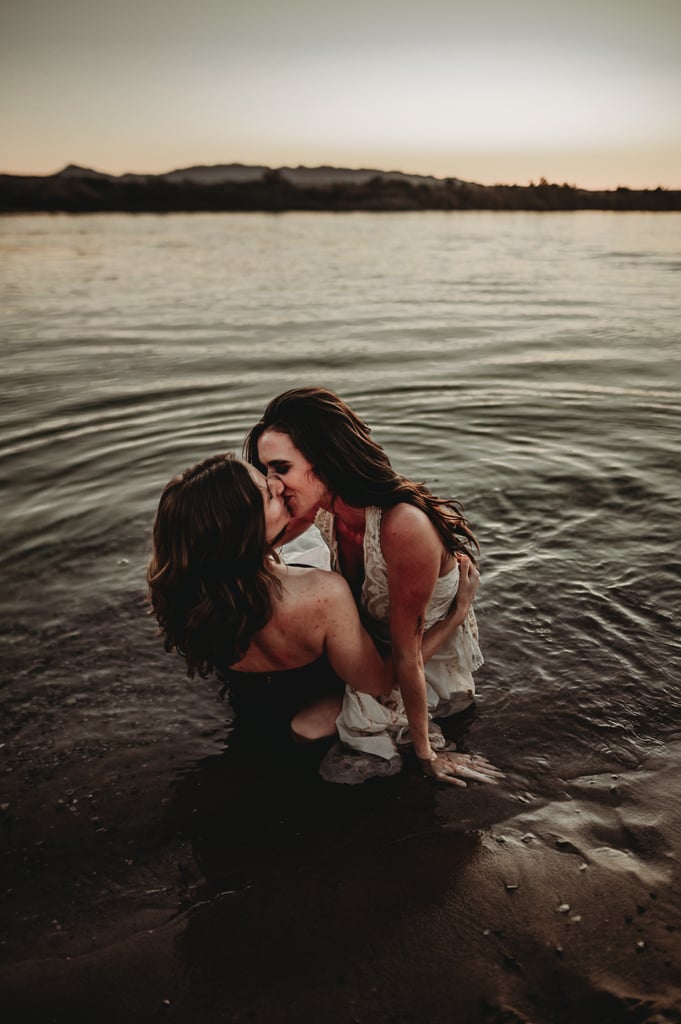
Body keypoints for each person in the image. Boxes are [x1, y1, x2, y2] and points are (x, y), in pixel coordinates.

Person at [147, 452, 499, 787]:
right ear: (244, 530)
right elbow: (383, 682)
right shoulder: (321, 594)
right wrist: (455, 614)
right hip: (314, 721)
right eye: (268, 494)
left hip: (252, 713)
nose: (278, 486)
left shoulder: (191, 595)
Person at [245, 387, 501, 785]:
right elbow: (257, 545)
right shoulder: (321, 509)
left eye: (281, 468)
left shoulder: (403, 526)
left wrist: (426, 754)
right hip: (369, 649)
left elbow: (408, 655)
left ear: (324, 459)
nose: (273, 484)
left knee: (304, 728)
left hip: (420, 662)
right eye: (266, 472)